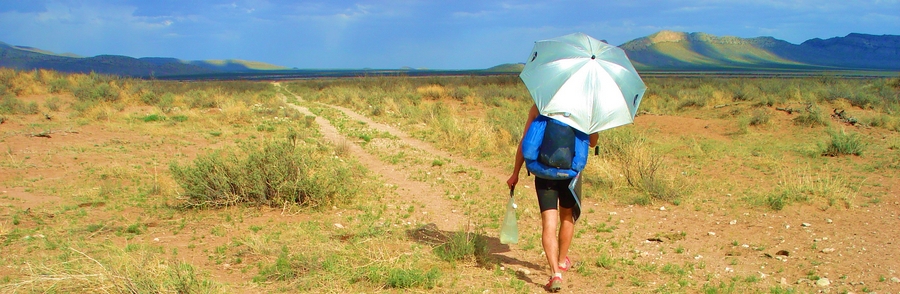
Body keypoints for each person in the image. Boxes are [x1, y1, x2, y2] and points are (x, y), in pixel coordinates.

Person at [506, 104, 598, 292]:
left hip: (544, 173)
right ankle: (562, 261)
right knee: (567, 218)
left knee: (549, 223)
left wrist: (515, 173)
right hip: (569, 175)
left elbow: (525, 142)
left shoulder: (540, 105)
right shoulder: (585, 108)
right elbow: (593, 142)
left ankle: (555, 273)